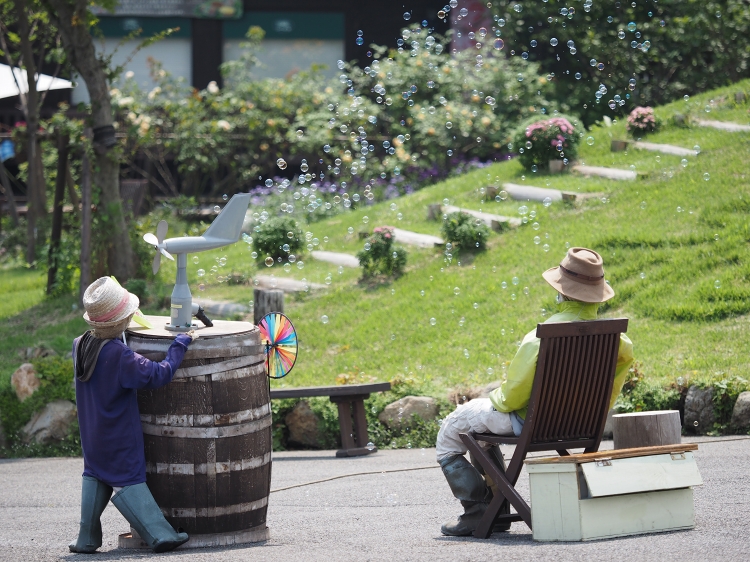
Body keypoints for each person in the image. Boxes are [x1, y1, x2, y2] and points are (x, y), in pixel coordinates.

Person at [436, 247, 634, 536]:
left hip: (529, 422)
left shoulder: (543, 335)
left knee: (451, 429)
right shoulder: (619, 340)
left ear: (562, 292)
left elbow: (512, 398)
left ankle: (480, 511)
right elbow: (610, 393)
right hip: (582, 423)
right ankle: (496, 510)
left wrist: (494, 399)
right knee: (477, 428)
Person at [69, 277, 196, 553]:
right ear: (122, 321)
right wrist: (180, 345)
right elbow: (158, 374)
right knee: (129, 476)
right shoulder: (120, 356)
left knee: (95, 473)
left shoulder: (80, 345)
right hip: (119, 436)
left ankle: (86, 538)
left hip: (92, 434)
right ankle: (160, 534)